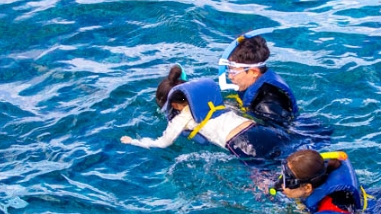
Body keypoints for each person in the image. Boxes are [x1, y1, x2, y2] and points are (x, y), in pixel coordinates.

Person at [120, 65, 289, 159]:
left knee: (266, 180)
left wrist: (133, 141)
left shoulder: (180, 119)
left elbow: (162, 143)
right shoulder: (211, 100)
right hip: (259, 129)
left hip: (242, 143)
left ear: (173, 105)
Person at [221, 34, 299, 127]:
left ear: (254, 72)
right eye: (228, 70)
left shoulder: (265, 106)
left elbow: (281, 133)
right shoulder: (258, 86)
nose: (230, 76)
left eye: (233, 72)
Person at [272, 149, 369, 214]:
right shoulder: (316, 176)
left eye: (288, 181)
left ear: (307, 188)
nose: (281, 184)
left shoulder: (330, 210)